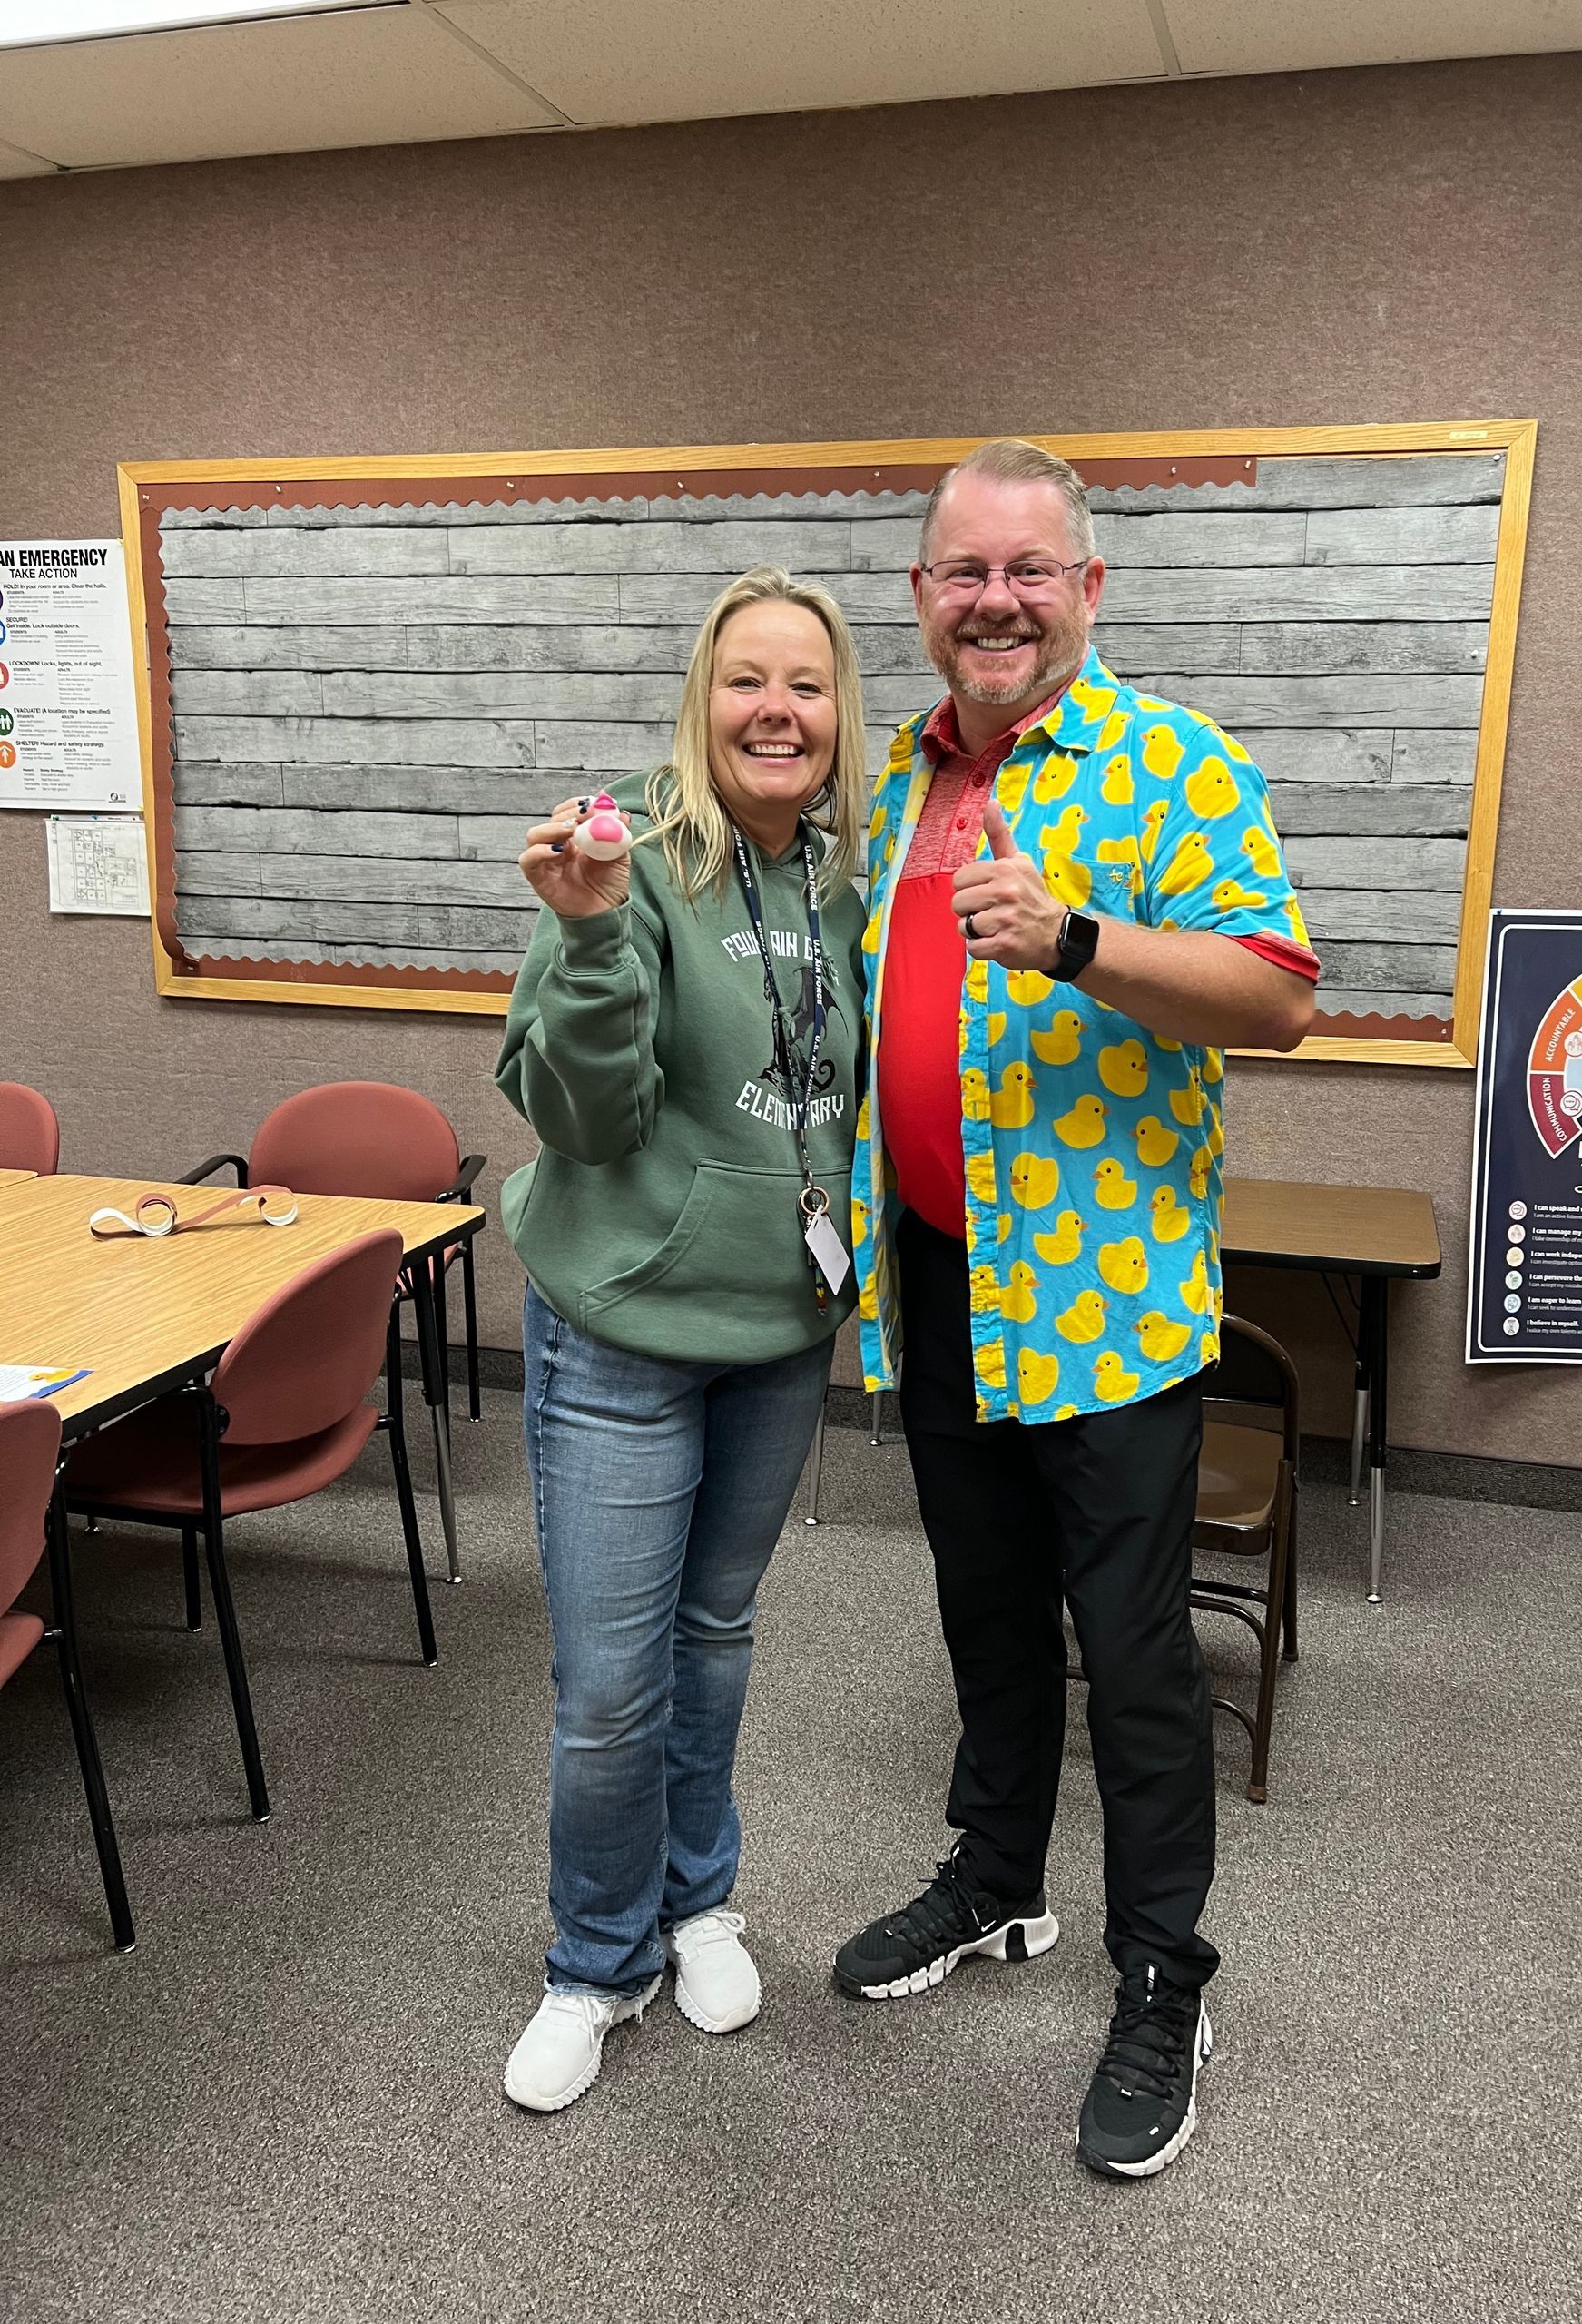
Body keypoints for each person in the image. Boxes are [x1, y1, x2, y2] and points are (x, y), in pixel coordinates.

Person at [835, 439, 1319, 2179]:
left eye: (1031, 571)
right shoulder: (890, 783)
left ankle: (1164, 1975)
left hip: (1102, 1303)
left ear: (1088, 590)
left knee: (1132, 1661)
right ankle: (994, 1882)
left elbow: (1274, 998)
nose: (997, 602)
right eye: (966, 572)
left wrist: (1078, 940)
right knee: (981, 1619)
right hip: (938, 1284)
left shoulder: (1171, 768)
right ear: (922, 598)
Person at [496, 566, 868, 2113]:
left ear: (844, 718)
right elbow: (580, 1114)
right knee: (610, 1685)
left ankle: (697, 1899)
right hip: (627, 1333)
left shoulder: (844, 881)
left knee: (714, 1640)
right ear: (700, 701)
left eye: (807, 685)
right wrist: (586, 944)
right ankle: (595, 1964)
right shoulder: (630, 859)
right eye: (745, 682)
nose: (775, 711)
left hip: (781, 1330)